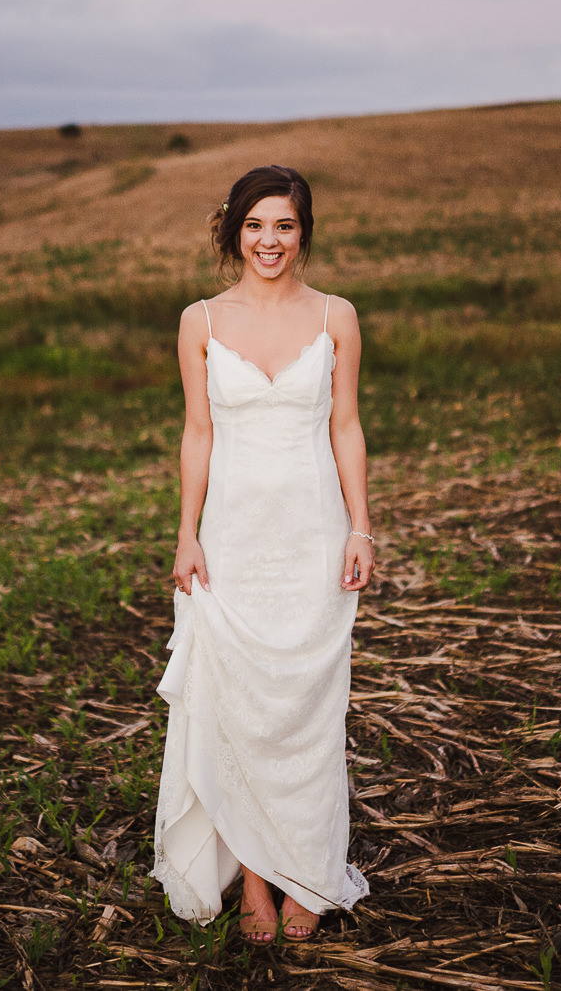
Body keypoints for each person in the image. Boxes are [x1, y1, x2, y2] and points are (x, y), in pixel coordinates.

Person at [151, 164, 376, 944]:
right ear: (233, 231)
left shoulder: (336, 316)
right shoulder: (201, 321)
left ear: (303, 231)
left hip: (313, 532)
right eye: (254, 224)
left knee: (310, 707)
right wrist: (187, 531)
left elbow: (345, 426)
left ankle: (309, 869)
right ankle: (253, 873)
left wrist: (360, 526)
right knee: (242, 706)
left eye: (283, 224)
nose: (268, 240)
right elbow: (198, 432)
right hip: (235, 536)